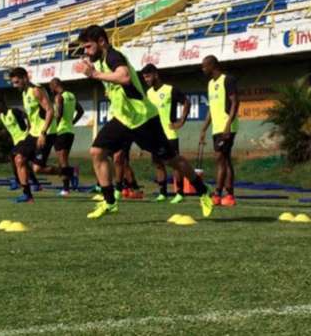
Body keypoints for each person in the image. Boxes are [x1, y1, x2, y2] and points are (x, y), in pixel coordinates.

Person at [75, 25, 213, 219]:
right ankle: (109, 201)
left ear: (101, 42)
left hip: (143, 119)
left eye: (88, 47)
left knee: (171, 160)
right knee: (97, 152)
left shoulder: (113, 56)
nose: (86, 52)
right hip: (124, 120)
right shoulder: (103, 62)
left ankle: (202, 190)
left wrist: (94, 75)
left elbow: (124, 76)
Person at [9, 67, 65, 203]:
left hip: (46, 133)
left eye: (17, 82)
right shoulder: (24, 93)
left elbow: (50, 110)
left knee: (37, 168)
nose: (14, 85)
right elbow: (31, 115)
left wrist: (43, 133)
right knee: (18, 159)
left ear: (25, 78)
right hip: (33, 133)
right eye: (13, 83)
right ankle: (27, 195)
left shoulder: (36, 90)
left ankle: (67, 172)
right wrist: (28, 129)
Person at [142, 64, 192, 204]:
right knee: (158, 163)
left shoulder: (170, 90)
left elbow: (186, 102)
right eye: (144, 77)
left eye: (148, 76)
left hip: (170, 133)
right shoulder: (149, 93)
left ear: (155, 75)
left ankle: (179, 193)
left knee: (175, 164)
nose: (146, 80)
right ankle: (163, 193)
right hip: (155, 135)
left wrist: (181, 121)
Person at [200, 55, 240, 207]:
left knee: (219, 157)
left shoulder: (227, 79)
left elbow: (235, 102)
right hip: (216, 128)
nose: (203, 69)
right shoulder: (210, 84)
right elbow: (211, 108)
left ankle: (217, 194)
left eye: (205, 66)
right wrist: (204, 128)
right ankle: (230, 196)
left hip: (227, 126)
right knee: (225, 159)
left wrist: (228, 124)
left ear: (213, 65)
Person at [49, 77, 84, 197]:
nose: (51, 90)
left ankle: (66, 189)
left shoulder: (59, 97)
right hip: (70, 131)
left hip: (61, 131)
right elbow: (81, 111)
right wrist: (72, 122)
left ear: (54, 85)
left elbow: (59, 114)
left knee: (62, 161)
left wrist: (54, 127)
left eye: (51, 87)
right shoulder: (71, 95)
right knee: (63, 160)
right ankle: (72, 172)